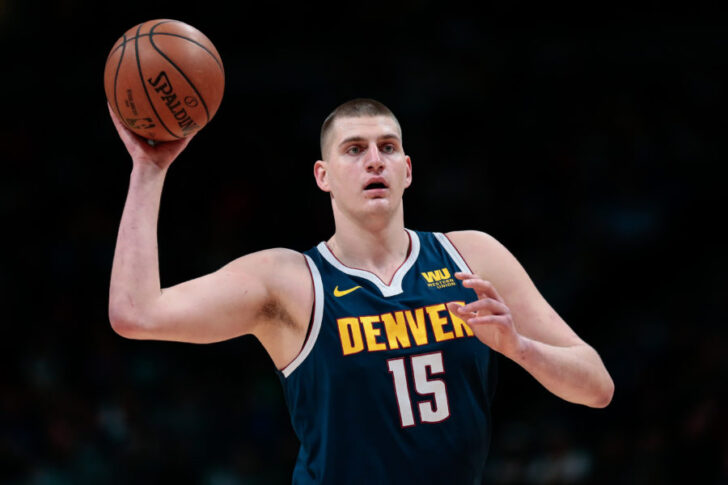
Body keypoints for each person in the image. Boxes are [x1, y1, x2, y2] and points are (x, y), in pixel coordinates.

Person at [108, 98, 614, 484]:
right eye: (355, 150)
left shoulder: (473, 257)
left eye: (387, 148)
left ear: (407, 170)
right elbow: (136, 313)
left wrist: (520, 348)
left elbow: (596, 386)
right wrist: (149, 172)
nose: (375, 160)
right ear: (323, 176)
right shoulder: (290, 281)